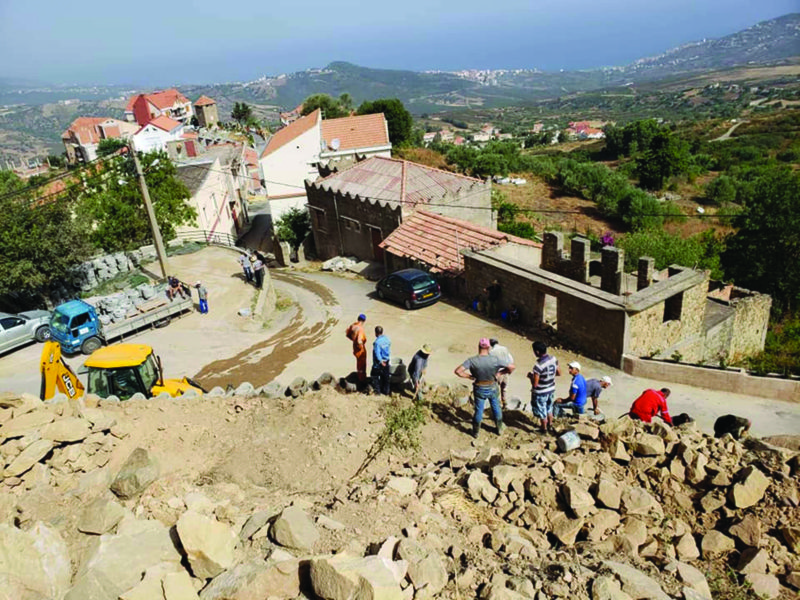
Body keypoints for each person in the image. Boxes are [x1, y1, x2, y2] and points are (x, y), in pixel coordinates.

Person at [455, 337, 515, 438]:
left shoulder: (472, 360)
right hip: (492, 386)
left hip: (479, 387)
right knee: (496, 407)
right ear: (488, 348)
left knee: (479, 410)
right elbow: (512, 367)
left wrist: (469, 376)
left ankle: (475, 432)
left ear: (478, 347)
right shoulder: (495, 360)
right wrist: (500, 372)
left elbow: (458, 371)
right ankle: (499, 428)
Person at [527, 341, 561, 433]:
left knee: (542, 411)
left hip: (541, 392)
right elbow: (559, 373)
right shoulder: (553, 359)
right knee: (549, 408)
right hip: (551, 389)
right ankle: (550, 424)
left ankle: (543, 429)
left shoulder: (538, 366)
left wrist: (531, 377)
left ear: (537, 352)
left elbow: (535, 384)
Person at [489, 338, 514, 409]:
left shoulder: (491, 352)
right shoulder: (504, 349)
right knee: (504, 389)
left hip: (497, 373)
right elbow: (511, 360)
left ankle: (496, 407)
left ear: (491, 344)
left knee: (495, 391)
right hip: (505, 371)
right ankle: (504, 404)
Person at [345, 314, 368, 386]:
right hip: (360, 350)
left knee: (358, 365)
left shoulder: (353, 326)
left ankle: (359, 376)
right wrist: (361, 348)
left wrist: (353, 340)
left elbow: (347, 334)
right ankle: (362, 381)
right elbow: (359, 341)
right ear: (364, 321)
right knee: (362, 366)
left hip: (355, 348)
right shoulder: (360, 329)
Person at [371, 326, 391, 395]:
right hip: (387, 360)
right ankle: (386, 391)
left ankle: (377, 391)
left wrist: (380, 361)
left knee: (374, 375)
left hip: (379, 363)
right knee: (386, 377)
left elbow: (377, 353)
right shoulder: (387, 339)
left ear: (376, 333)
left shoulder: (377, 343)